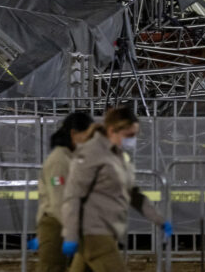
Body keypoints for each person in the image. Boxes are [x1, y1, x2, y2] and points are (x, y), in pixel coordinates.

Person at [61, 107, 172, 272]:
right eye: (129, 135)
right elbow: (73, 195)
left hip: (106, 231)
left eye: (135, 135)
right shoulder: (91, 152)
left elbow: (133, 194)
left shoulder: (117, 155)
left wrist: (159, 220)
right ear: (112, 130)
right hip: (94, 233)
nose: (132, 140)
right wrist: (70, 235)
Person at [35, 112, 94, 272]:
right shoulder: (59, 160)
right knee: (52, 267)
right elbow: (58, 201)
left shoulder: (72, 158)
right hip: (56, 224)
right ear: (74, 134)